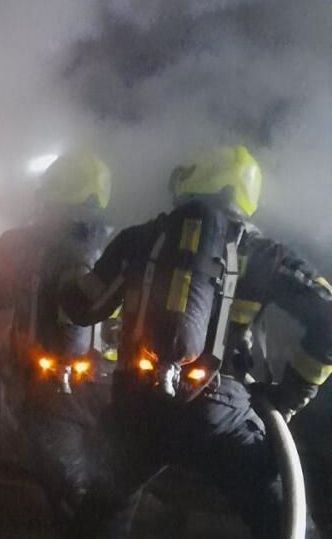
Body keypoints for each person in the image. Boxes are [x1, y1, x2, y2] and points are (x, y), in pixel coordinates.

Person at [60, 146, 332, 538]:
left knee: (99, 517)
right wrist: (288, 396)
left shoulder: (140, 239)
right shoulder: (264, 255)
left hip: (137, 407)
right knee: (286, 521)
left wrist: (66, 267)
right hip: (219, 413)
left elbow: (81, 308)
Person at [0, 151, 115, 527]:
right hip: (109, 383)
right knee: (102, 467)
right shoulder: (117, 244)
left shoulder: (19, 242)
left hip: (47, 382)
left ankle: (85, 522)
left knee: (66, 477)